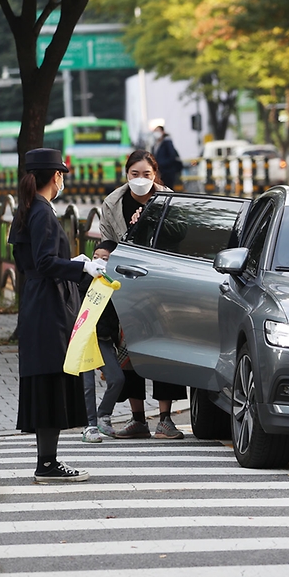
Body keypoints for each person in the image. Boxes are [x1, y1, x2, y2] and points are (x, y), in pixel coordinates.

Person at [8, 148, 100, 483]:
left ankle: (47, 461)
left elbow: (30, 261)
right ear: (56, 177)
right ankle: (47, 464)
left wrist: (71, 262)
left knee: (46, 379)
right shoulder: (43, 213)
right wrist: (79, 265)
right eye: (62, 175)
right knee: (51, 378)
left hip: (38, 301)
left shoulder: (29, 209)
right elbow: (46, 262)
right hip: (49, 305)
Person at [100, 150, 187, 440]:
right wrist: (104, 249)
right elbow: (109, 238)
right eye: (134, 174)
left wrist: (149, 220)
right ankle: (138, 419)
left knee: (163, 348)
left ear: (155, 175)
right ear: (127, 175)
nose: (140, 180)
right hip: (127, 284)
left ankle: (165, 419)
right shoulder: (113, 202)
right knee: (128, 348)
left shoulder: (167, 200)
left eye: (146, 174)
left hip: (161, 285)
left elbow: (181, 234)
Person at [79, 240, 124, 442]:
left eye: (105, 259)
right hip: (85, 339)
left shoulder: (116, 285)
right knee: (87, 385)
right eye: (96, 257)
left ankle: (103, 416)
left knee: (116, 379)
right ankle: (89, 426)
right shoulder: (83, 280)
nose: (99, 262)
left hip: (104, 340)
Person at [150, 120, 183, 189]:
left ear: (163, 132)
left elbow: (172, 156)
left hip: (168, 172)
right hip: (159, 172)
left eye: (158, 131)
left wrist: (161, 164)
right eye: (155, 131)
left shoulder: (167, 142)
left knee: (168, 189)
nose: (156, 133)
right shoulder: (154, 145)